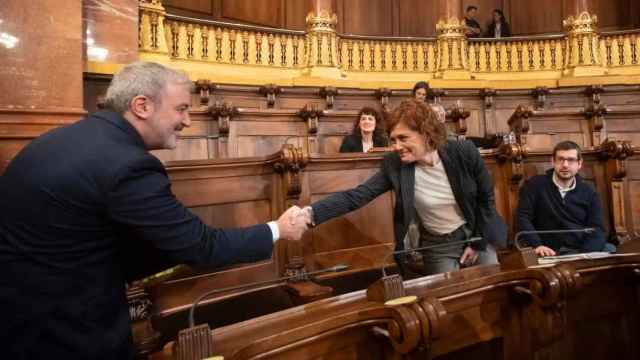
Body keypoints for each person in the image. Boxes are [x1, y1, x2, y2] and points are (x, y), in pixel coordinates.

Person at [0, 61, 308, 359]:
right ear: (142, 106)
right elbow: (203, 247)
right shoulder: (126, 164)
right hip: (65, 333)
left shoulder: (64, 138)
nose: (187, 121)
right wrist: (278, 229)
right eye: (181, 108)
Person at [300, 99, 504, 276]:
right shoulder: (395, 164)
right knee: (445, 299)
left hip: (476, 229)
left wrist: (477, 243)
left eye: (403, 138)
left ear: (426, 134)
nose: (396, 146)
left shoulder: (464, 152)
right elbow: (357, 196)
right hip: (438, 243)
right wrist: (310, 214)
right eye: (393, 139)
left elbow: (486, 200)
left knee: (492, 288)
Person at [517, 141, 615, 257]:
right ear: (553, 161)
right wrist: (537, 245)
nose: (565, 165)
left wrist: (585, 255)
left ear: (579, 164)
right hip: (547, 250)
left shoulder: (589, 192)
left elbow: (597, 228)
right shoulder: (535, 185)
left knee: (610, 249)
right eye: (560, 159)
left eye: (571, 160)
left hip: (580, 249)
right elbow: (523, 217)